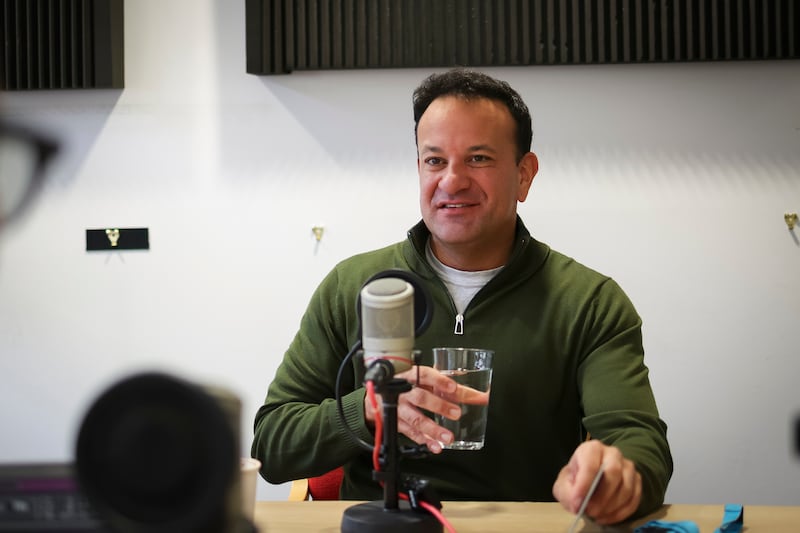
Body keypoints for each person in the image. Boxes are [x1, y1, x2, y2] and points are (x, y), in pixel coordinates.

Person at [252, 68, 672, 524]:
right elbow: (272, 445)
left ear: (524, 174)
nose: (452, 181)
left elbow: (637, 442)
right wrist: (370, 408)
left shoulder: (589, 302)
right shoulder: (355, 286)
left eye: (478, 158)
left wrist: (617, 475)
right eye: (434, 160)